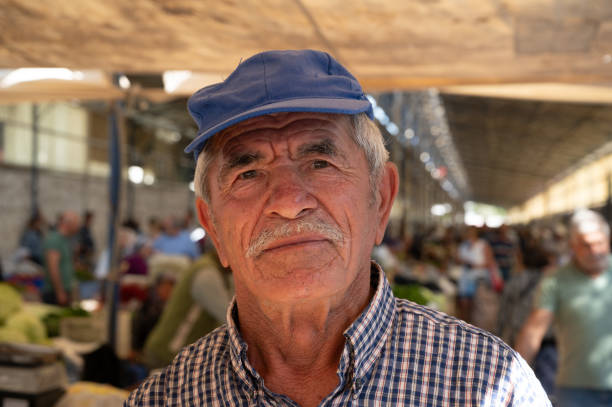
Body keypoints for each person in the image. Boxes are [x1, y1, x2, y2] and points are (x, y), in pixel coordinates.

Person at [126, 49, 549, 406]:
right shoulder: (164, 399)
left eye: (321, 163)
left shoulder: (491, 386)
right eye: (248, 173)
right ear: (213, 227)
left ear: (381, 199)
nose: (289, 202)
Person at [515, 209, 612, 406]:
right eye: (586, 245)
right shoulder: (555, 280)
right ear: (573, 247)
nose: (594, 251)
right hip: (576, 389)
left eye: (599, 243)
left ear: (608, 242)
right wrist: (515, 374)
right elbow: (534, 330)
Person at [42, 211, 80, 305]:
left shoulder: (65, 240)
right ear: (68, 224)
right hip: (54, 292)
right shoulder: (54, 240)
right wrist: (60, 292)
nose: (77, 227)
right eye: (76, 224)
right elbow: (53, 268)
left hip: (63, 290)